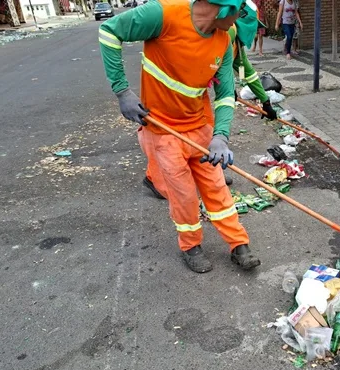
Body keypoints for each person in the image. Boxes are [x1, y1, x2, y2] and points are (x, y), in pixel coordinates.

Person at [99, 0, 261, 273]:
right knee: (183, 196)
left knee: (217, 189)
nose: (235, 22)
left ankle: (238, 245)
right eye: (236, 14)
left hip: (198, 130)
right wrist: (122, 91)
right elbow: (108, 31)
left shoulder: (223, 38)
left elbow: (224, 95)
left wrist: (220, 137)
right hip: (162, 131)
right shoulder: (163, 14)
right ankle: (191, 246)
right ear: (222, 7)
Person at [143, 0, 277, 192]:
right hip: (177, 91)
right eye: (255, 25)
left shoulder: (234, 36)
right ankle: (155, 179)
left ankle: (210, 172)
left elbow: (243, 69)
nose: (255, 31)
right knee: (168, 136)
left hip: (199, 92)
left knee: (203, 133)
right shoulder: (226, 31)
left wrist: (263, 100)